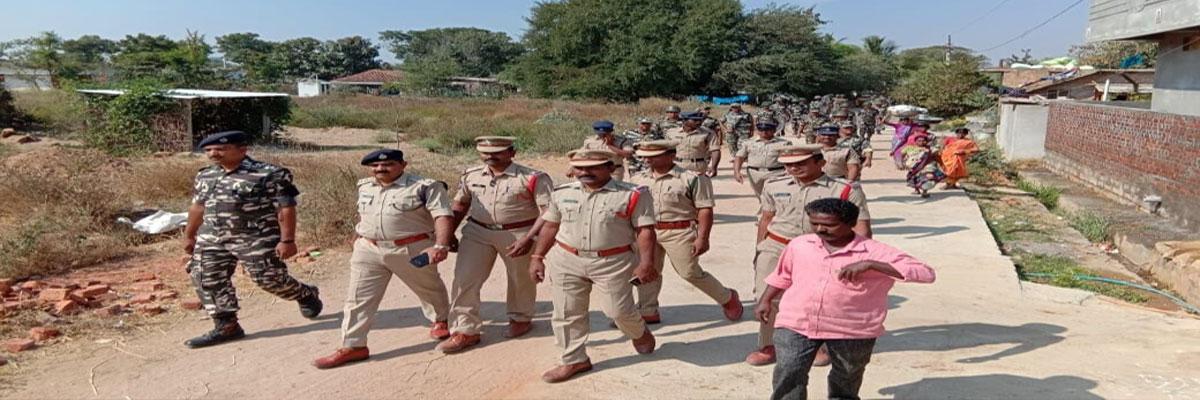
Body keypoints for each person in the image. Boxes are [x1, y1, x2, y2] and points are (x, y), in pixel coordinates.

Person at [755, 198, 936, 400]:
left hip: (852, 329)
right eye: (814, 223)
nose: (820, 229)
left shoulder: (874, 251)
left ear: (850, 224)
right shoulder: (800, 245)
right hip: (797, 321)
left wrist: (872, 265)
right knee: (789, 370)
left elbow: (926, 273)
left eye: (829, 225)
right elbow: (783, 275)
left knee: (846, 377)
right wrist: (765, 300)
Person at [312, 149, 455, 369]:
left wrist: (440, 246)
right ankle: (353, 345)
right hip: (368, 249)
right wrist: (359, 236)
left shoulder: (425, 186)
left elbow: (442, 215)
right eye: (375, 166)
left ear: (403, 164)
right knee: (357, 299)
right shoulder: (364, 186)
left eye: (387, 164)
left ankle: (440, 319)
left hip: (410, 247)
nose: (380, 169)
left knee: (428, 288)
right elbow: (366, 214)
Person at [528, 149, 659, 383]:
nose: (584, 172)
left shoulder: (633, 195)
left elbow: (645, 230)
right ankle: (574, 359)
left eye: (592, 167)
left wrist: (646, 263)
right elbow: (550, 226)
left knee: (618, 312)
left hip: (613, 261)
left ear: (611, 168)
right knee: (567, 312)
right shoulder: (562, 192)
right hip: (567, 259)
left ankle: (638, 332)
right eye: (579, 168)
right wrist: (537, 257)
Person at [183, 130, 322, 349]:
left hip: (255, 237)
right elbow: (198, 207)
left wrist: (287, 240)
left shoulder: (269, 174)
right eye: (209, 150)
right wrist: (190, 235)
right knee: (205, 277)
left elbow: (286, 207)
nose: (213, 154)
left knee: (269, 279)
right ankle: (227, 326)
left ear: (242, 149)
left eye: (220, 149)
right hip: (212, 238)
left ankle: (304, 294)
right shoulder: (206, 175)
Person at [748, 145, 872, 367]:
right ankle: (769, 345)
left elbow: (861, 226)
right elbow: (766, 218)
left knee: (818, 298)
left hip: (821, 249)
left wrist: (858, 257)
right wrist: (760, 248)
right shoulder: (773, 185)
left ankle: (817, 345)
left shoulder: (844, 189)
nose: (794, 168)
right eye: (788, 164)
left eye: (801, 163)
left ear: (820, 162)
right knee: (766, 296)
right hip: (778, 245)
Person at [437, 136, 554, 353]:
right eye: (485, 152)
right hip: (477, 232)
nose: (490, 156)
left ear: (512, 152)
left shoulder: (532, 178)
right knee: (465, 279)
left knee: (520, 279)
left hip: (518, 232)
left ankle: (521, 318)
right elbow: (460, 203)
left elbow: (549, 211)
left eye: (497, 152)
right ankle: (465, 330)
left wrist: (529, 238)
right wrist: (448, 233)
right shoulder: (471, 175)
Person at [627, 140, 744, 324]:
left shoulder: (692, 178)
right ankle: (647, 309)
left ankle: (727, 298)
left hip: (679, 232)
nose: (647, 160)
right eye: (646, 156)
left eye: (653, 156)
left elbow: (705, 209)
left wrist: (702, 238)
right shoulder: (637, 179)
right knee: (648, 269)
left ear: (671, 156)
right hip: (647, 231)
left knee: (689, 272)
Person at [733, 117, 793, 201]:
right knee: (761, 196)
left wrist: (790, 171)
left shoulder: (784, 143)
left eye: (768, 129)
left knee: (774, 196)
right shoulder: (749, 143)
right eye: (761, 129)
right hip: (754, 174)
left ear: (774, 130)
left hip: (776, 173)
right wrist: (736, 172)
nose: (764, 132)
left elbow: (790, 158)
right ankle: (765, 211)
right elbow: (739, 157)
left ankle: (770, 212)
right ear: (757, 130)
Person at [665, 111, 722, 177]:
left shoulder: (708, 133)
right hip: (677, 166)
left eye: (700, 120)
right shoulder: (671, 133)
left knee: (699, 186)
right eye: (695, 120)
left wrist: (714, 167)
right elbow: (665, 151)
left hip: (698, 167)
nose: (699, 122)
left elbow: (715, 151)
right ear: (684, 120)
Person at [902, 133, 945, 198]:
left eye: (923, 141)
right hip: (914, 167)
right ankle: (917, 190)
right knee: (914, 178)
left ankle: (925, 191)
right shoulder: (910, 148)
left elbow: (936, 154)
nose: (921, 142)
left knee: (926, 178)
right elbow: (903, 155)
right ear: (915, 141)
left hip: (926, 167)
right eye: (919, 141)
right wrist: (903, 163)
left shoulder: (929, 149)